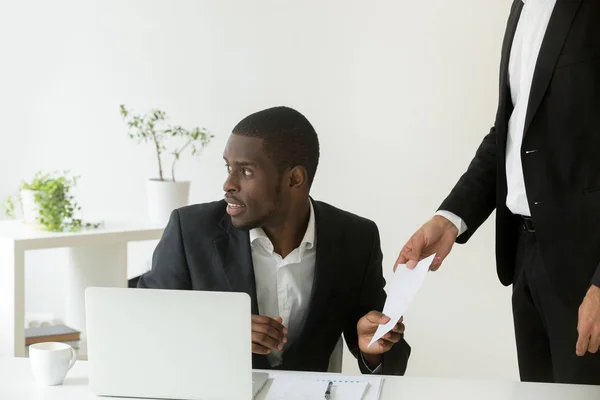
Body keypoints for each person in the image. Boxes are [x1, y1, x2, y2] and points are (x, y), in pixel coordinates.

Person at [397, 0, 600, 385]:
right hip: (525, 255)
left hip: (589, 268)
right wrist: (450, 219)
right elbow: (509, 133)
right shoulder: (521, 8)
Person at [137, 106, 410, 375]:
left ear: (295, 178)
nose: (228, 184)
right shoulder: (191, 230)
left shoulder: (355, 238)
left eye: (245, 171)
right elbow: (144, 322)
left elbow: (378, 338)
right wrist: (222, 331)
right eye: (228, 167)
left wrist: (374, 347)